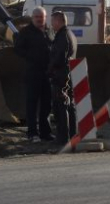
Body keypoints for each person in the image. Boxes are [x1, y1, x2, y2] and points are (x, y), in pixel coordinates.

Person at [13, 7, 53, 143]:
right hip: (33, 72)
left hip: (47, 73)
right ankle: (32, 133)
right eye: (37, 17)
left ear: (45, 17)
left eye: (42, 17)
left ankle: (45, 132)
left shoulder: (49, 31)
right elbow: (18, 49)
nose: (39, 19)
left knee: (47, 104)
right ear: (32, 18)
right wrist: (32, 57)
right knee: (32, 104)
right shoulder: (25, 32)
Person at [47, 10, 77, 151]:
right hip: (67, 74)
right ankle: (72, 133)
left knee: (61, 106)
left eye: (52, 21)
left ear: (58, 21)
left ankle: (62, 137)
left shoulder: (62, 36)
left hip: (61, 76)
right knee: (69, 105)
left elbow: (59, 58)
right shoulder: (69, 34)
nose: (51, 24)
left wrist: (50, 71)